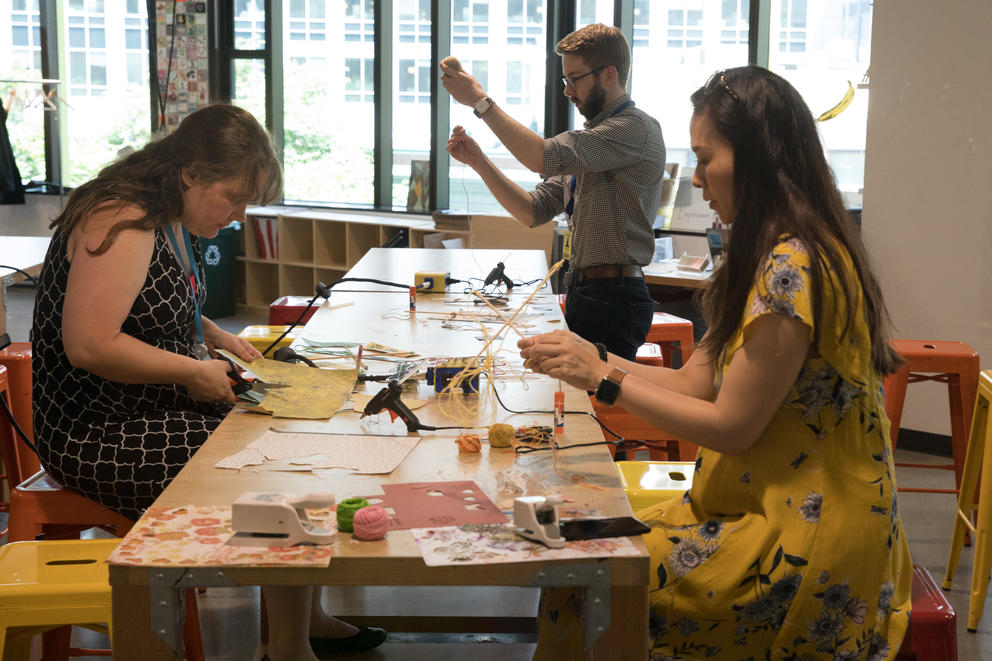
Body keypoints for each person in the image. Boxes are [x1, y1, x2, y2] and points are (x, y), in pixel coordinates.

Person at [517, 66, 913, 659]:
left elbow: (732, 425)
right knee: (577, 538)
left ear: (758, 158)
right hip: (757, 502)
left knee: (584, 570)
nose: (698, 179)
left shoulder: (793, 265)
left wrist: (601, 377)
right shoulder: (757, 255)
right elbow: (692, 383)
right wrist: (590, 356)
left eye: (706, 160)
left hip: (807, 536)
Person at [30, 103, 385, 661]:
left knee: (288, 440)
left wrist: (212, 334)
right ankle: (288, 647)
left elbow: (154, 301)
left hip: (144, 405)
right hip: (97, 429)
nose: (239, 215)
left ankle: (300, 625)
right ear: (192, 173)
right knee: (277, 473)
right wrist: (194, 370)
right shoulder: (121, 216)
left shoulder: (167, 208)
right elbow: (91, 344)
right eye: (234, 197)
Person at [441, 23, 664, 361]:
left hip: (612, 298)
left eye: (574, 79)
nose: (567, 91)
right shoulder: (594, 143)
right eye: (565, 80)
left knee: (592, 406)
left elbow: (538, 156)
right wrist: (478, 161)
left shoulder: (633, 128)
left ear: (609, 74)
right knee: (574, 403)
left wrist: (479, 100)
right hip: (589, 293)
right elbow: (532, 210)